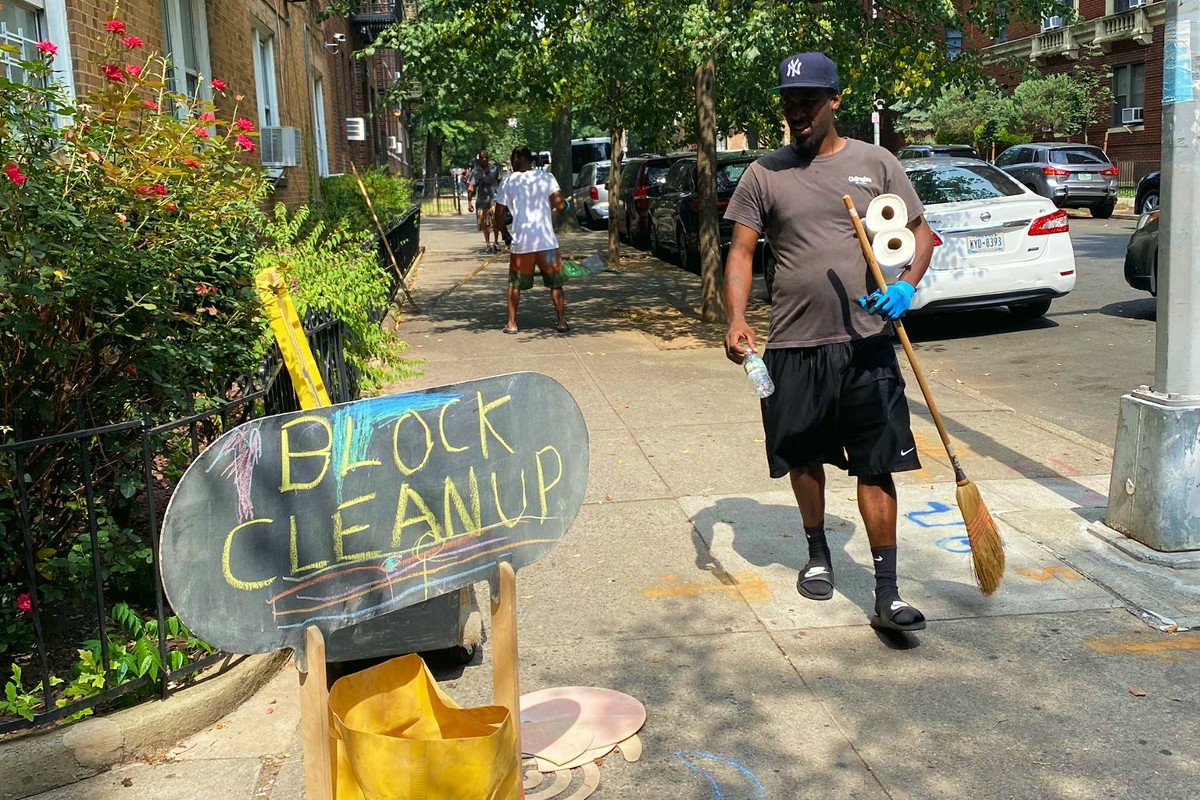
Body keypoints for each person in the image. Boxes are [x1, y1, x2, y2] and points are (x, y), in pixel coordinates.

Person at [722, 52, 936, 633]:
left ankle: (887, 592)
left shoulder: (877, 163)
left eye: (808, 103)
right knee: (804, 456)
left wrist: (905, 288)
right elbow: (740, 253)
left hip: (867, 341)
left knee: (876, 465)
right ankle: (818, 554)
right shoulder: (764, 174)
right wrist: (737, 317)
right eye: (790, 103)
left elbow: (923, 236)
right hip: (794, 344)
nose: (797, 114)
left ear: (834, 100)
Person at [494, 146, 569, 335]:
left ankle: (512, 324)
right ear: (531, 161)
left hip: (522, 243)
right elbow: (560, 205)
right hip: (547, 242)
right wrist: (567, 204)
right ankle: (561, 322)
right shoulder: (546, 177)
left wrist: (506, 236)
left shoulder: (508, 182)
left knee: (514, 285)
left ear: (515, 161)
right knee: (555, 284)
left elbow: (499, 215)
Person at [467, 150, 502, 252]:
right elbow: (471, 187)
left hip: (494, 198)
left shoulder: (495, 169)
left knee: (495, 220)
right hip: (481, 200)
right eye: (482, 158)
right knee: (484, 223)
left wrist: (501, 195)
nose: (484, 160)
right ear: (479, 159)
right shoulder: (475, 171)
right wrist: (469, 202)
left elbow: (499, 182)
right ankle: (487, 244)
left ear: (488, 158)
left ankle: (496, 241)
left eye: (486, 158)